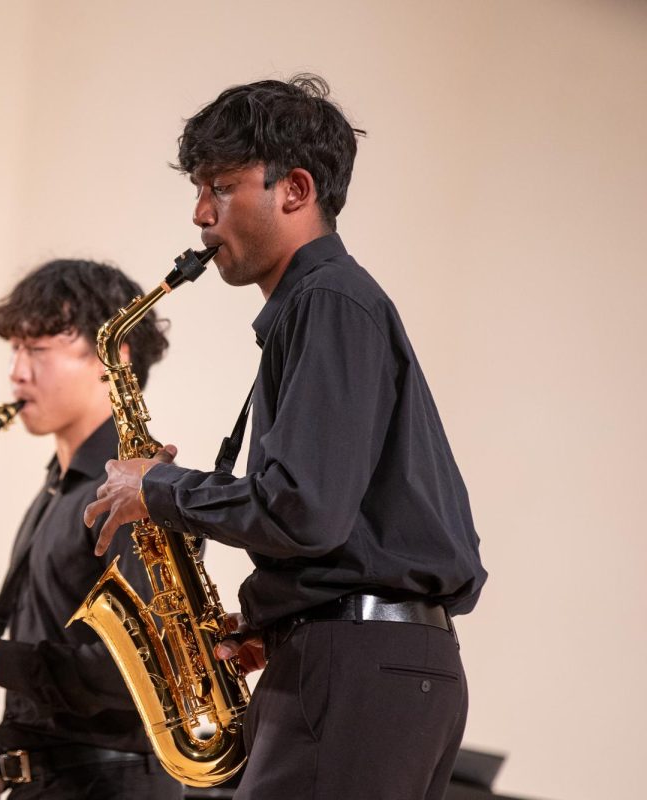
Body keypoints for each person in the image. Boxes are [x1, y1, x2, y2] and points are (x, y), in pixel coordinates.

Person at [84, 75, 487, 800]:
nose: (201, 214)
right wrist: (281, 618)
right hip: (378, 662)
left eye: (221, 187)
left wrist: (159, 488)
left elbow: (300, 508)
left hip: (357, 669)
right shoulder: (331, 303)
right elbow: (338, 518)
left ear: (294, 189)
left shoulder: (328, 301)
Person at [0, 259, 182, 799]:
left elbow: (145, 670)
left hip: (110, 784)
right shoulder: (56, 490)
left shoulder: (138, 491)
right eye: (15, 350)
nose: (16, 372)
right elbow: (48, 656)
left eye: (37, 350)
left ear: (111, 359)